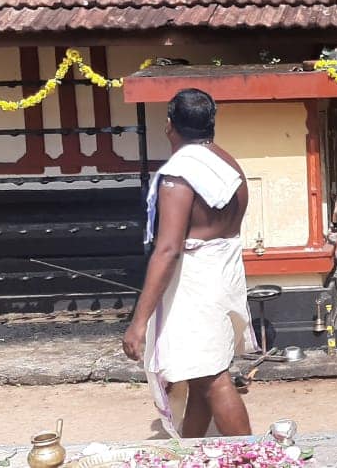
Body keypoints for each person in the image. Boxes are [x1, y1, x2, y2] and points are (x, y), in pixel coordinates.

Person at [122, 88, 258, 438]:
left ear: (170, 126)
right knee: (201, 378)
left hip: (196, 286)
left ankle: (253, 459)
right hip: (223, 278)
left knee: (214, 381)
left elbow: (167, 250)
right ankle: (189, 454)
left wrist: (138, 322)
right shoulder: (229, 164)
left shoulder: (179, 176)